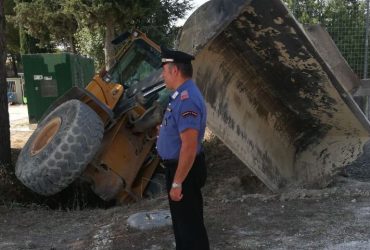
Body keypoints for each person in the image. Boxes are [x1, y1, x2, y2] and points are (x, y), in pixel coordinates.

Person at [156, 46, 209, 250]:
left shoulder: (187, 100)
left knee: (190, 228)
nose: (163, 75)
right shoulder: (180, 95)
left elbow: (189, 145)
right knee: (183, 226)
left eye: (165, 71)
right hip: (179, 169)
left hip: (184, 171)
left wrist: (177, 182)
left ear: (175, 71)